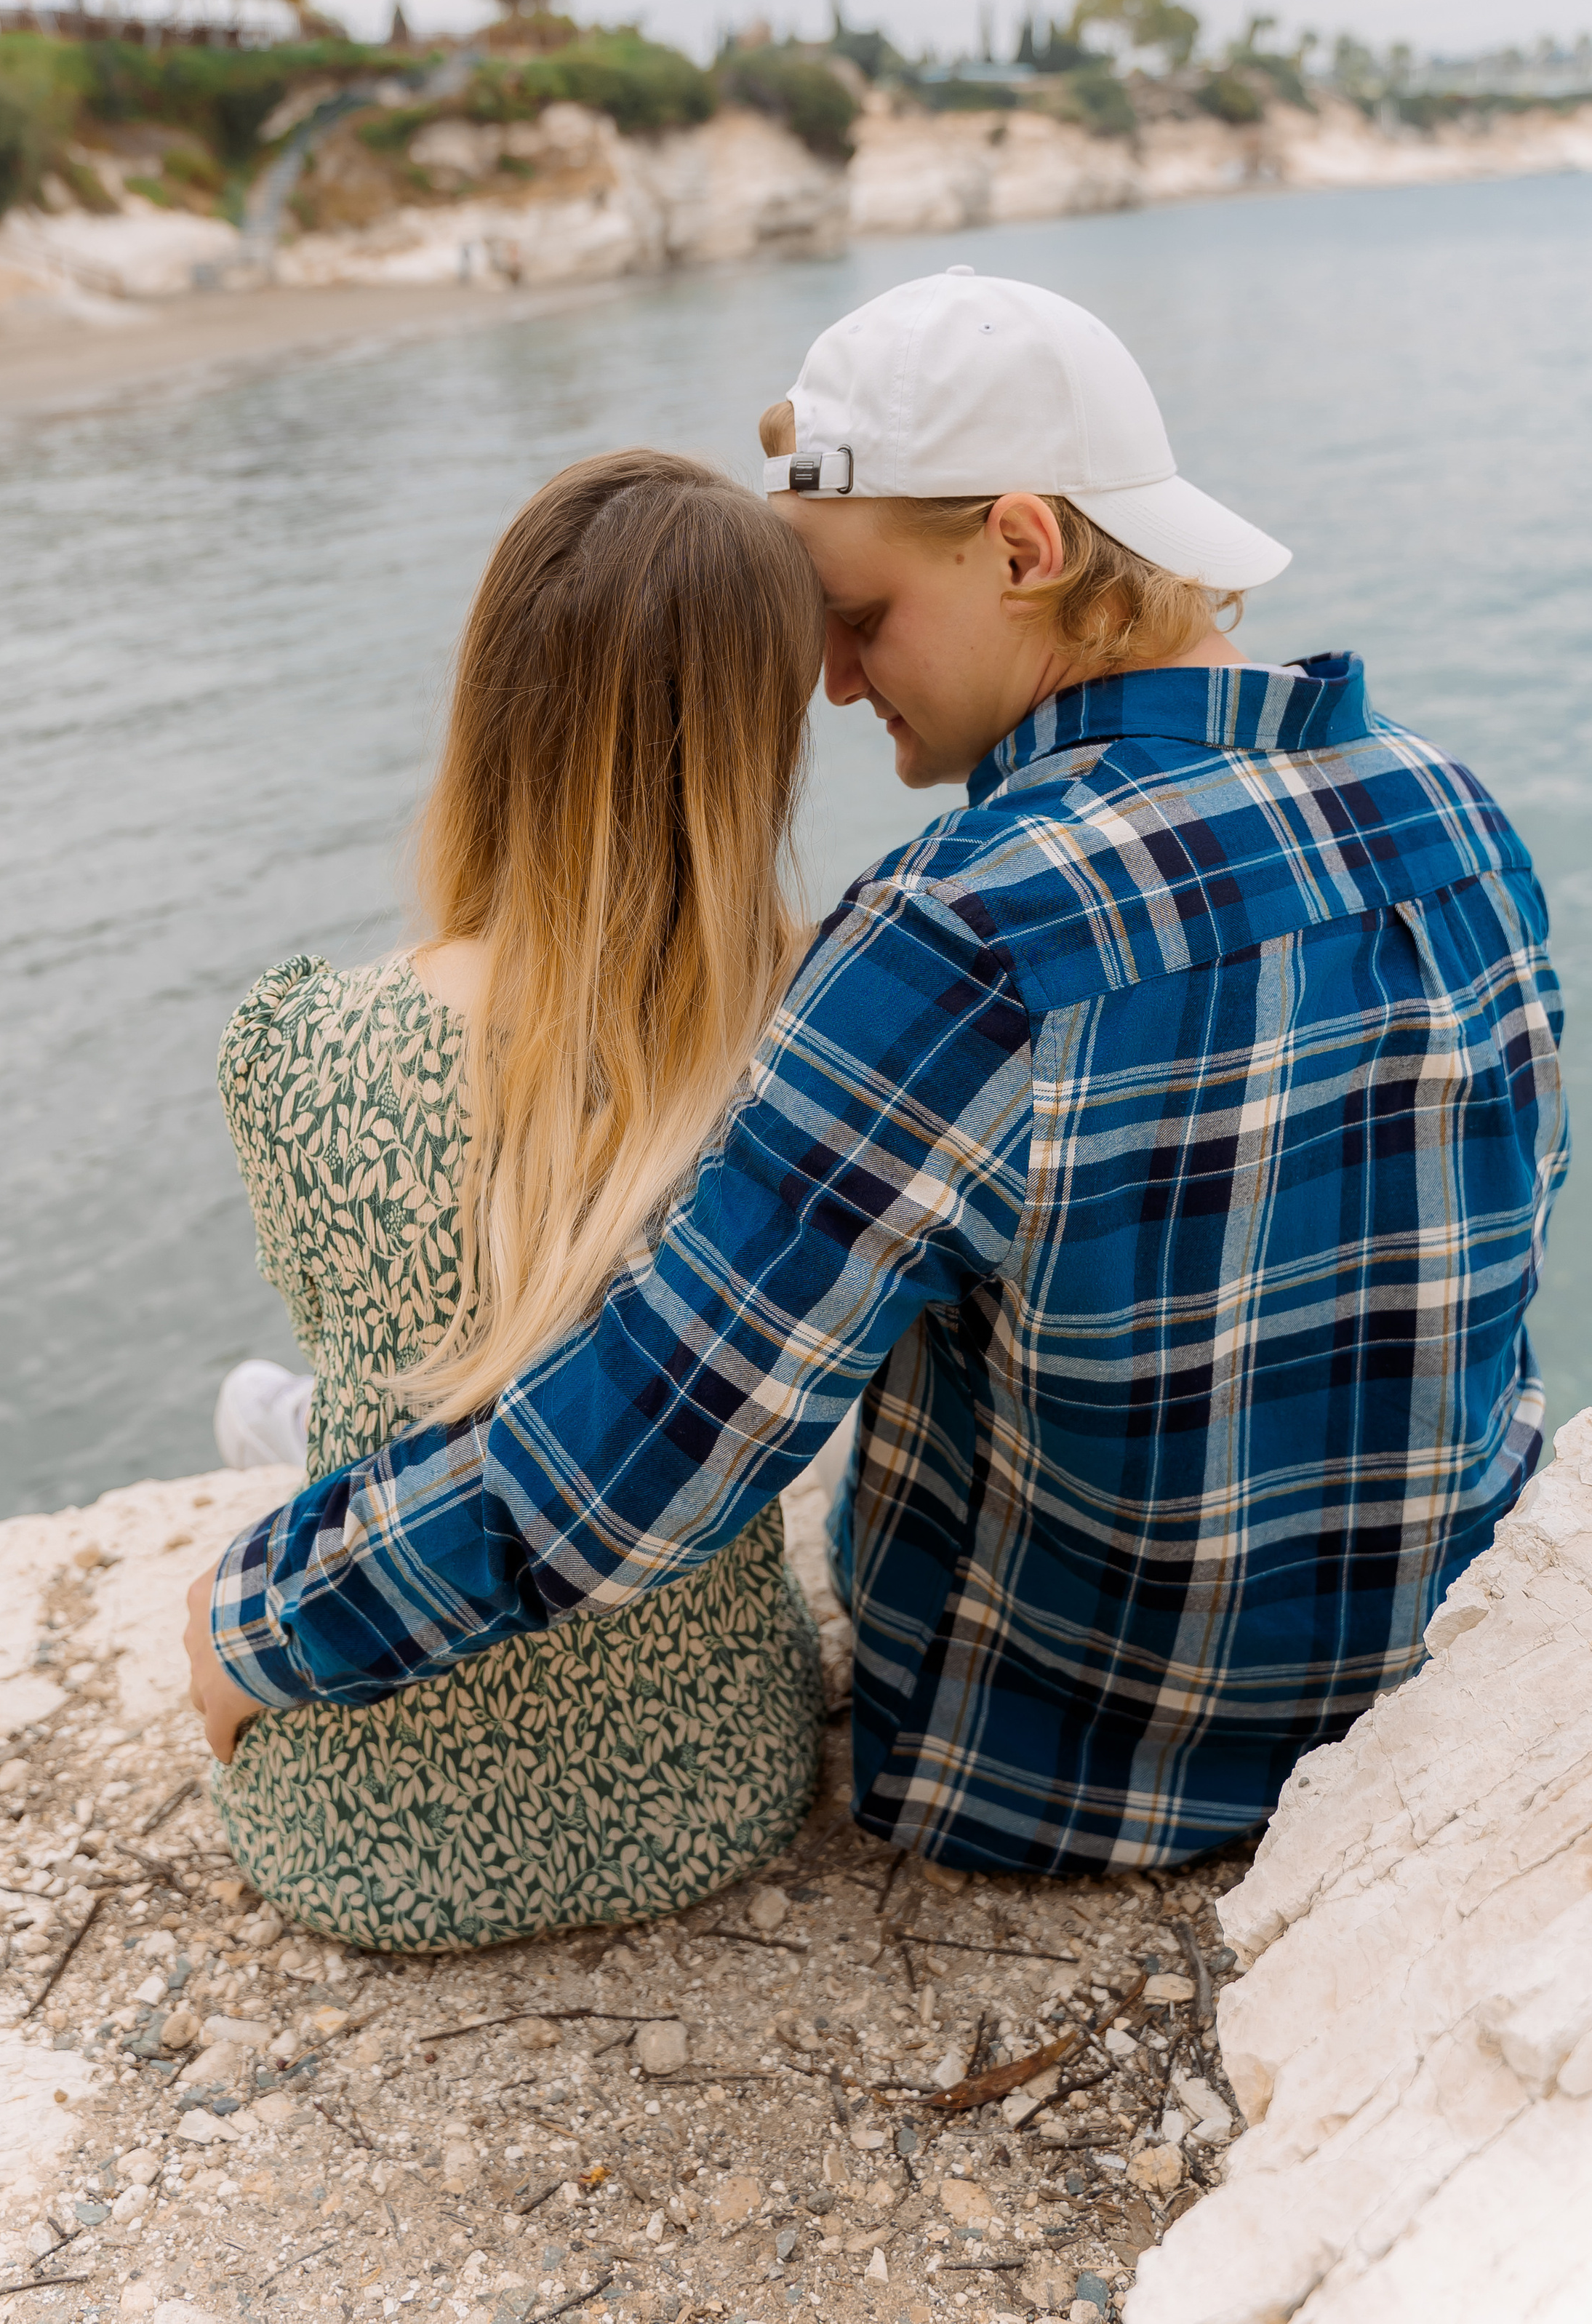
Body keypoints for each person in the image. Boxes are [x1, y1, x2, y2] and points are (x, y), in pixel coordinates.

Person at [188, 267, 1568, 1880]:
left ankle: (316, 1432)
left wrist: (265, 1618)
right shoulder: (1446, 812)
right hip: (1400, 1694)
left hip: (1067, 1763)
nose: (832, 684)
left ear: (1022, 547)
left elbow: (654, 1446)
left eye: (854, 617)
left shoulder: (966, 929)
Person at [199, 449, 829, 1950]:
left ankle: (275, 1433)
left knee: (370, 1369)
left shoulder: (303, 1043)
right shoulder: (820, 1037)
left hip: (360, 1842)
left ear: (487, 699)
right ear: (762, 741)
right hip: (714, 1786)